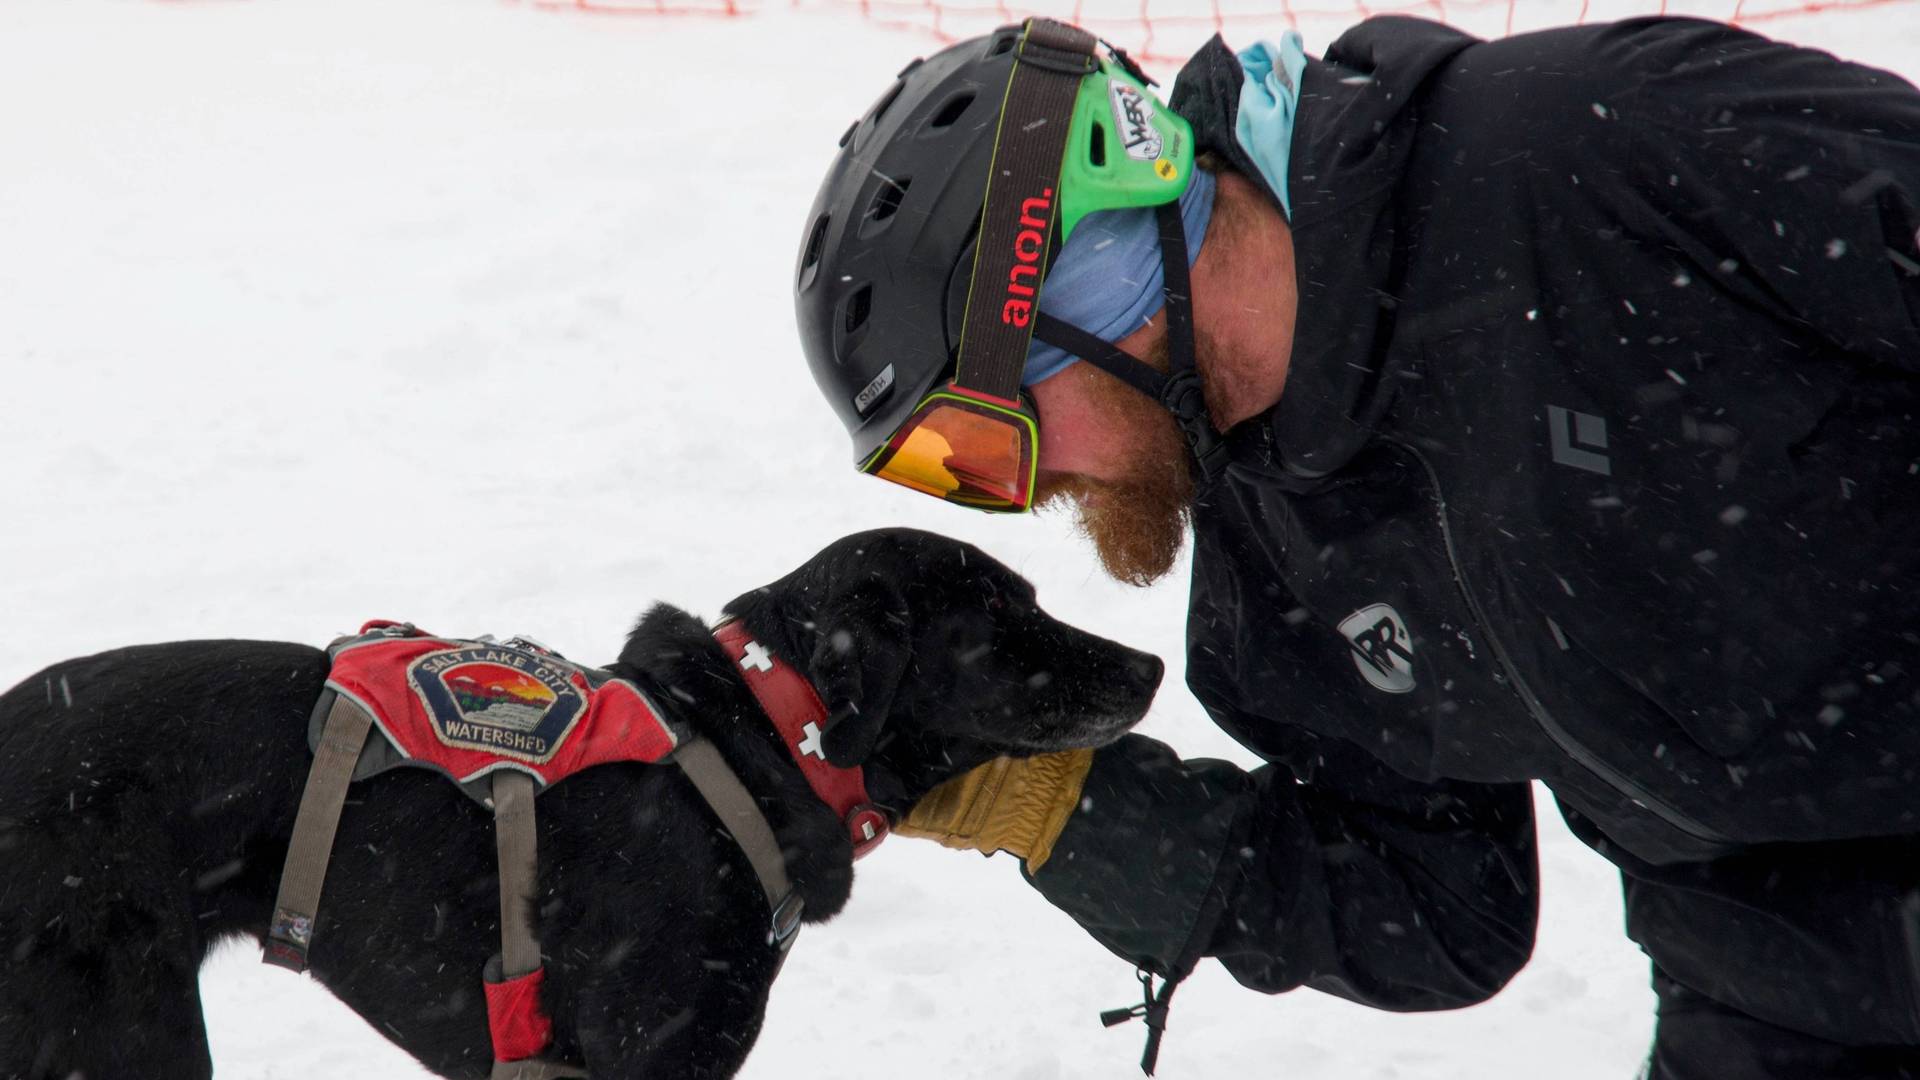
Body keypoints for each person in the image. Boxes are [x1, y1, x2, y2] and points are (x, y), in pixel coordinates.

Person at [792, 14, 1920, 1078]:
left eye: (983, 440)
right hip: (1783, 987)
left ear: (1094, 281)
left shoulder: (1585, 147)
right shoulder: (1271, 560)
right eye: (952, 476)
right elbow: (1434, 907)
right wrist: (1046, 804)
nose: (1028, 490)